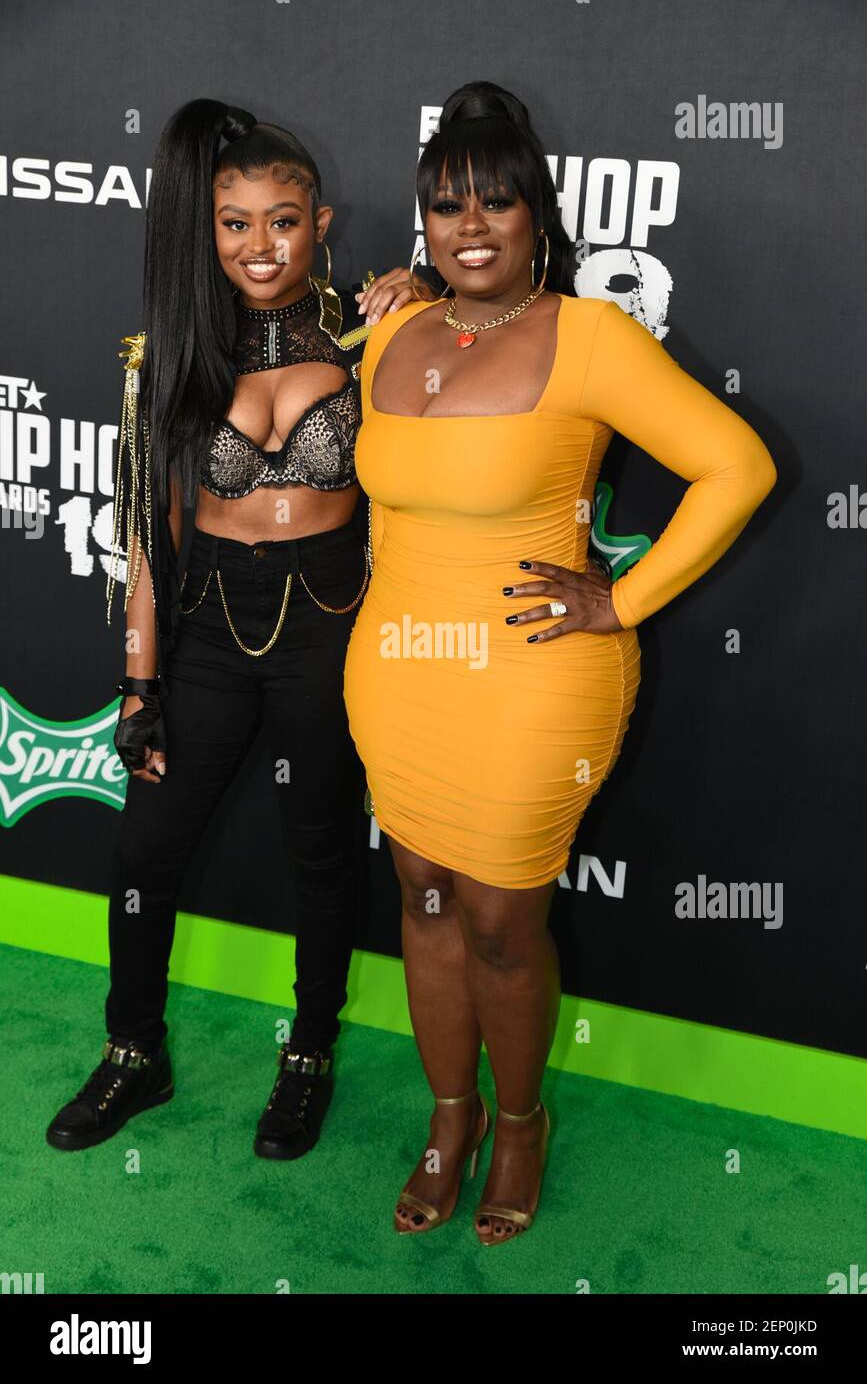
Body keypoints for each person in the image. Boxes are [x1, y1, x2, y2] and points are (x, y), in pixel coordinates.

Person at [343, 81, 777, 1243]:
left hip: (536, 671)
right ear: (422, 223)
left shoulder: (591, 336)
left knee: (496, 913)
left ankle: (520, 1119)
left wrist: (623, 598)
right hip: (395, 667)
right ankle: (451, 1119)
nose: (470, 225)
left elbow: (737, 466)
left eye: (495, 201)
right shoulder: (393, 328)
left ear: (539, 215)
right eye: (445, 206)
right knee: (421, 893)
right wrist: (406, 296)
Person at [46, 98, 422, 1160]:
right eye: (235, 224)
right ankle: (134, 1054)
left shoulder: (371, 332)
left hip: (330, 623)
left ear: (324, 220)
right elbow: (154, 539)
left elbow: (469, 351)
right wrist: (138, 684)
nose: (262, 246)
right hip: (207, 624)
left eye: (284, 220)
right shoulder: (172, 349)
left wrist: (425, 288)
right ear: (206, 233)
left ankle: (306, 1056)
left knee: (319, 852)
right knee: (146, 846)